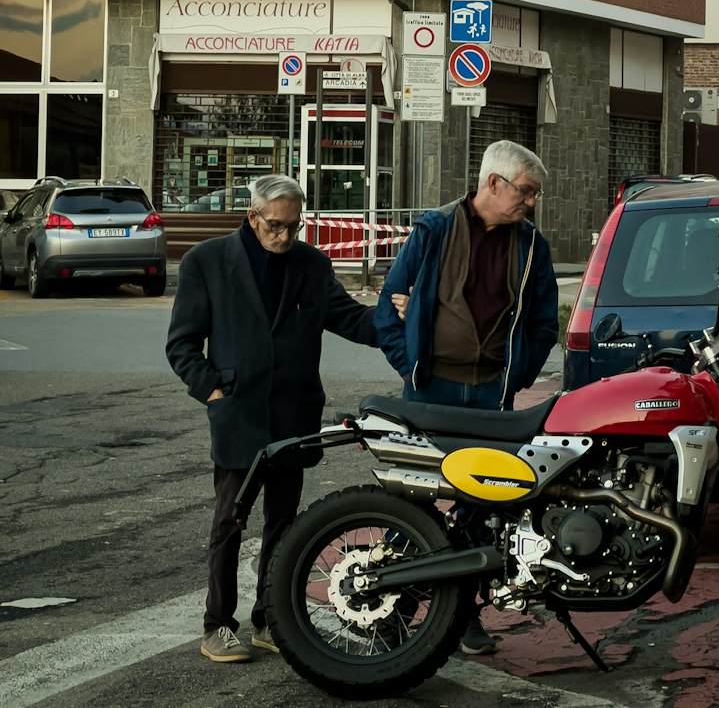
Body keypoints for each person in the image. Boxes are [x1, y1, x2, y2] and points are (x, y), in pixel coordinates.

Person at [166, 173, 382, 664]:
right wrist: (214, 391)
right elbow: (181, 345)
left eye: (293, 226)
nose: (284, 236)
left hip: (293, 415)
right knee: (230, 522)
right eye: (275, 226)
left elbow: (350, 319)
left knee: (284, 527)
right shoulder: (207, 262)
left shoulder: (311, 264)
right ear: (252, 216)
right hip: (238, 414)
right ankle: (218, 625)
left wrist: (395, 321)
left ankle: (270, 618)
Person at [375, 139, 559, 655]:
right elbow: (387, 312)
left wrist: (517, 374)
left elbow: (544, 322)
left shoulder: (531, 245)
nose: (531, 202)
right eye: (525, 191)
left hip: (490, 394)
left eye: (535, 193)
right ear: (493, 183)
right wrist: (408, 363)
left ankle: (463, 616)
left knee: (482, 506)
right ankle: (393, 609)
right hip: (430, 389)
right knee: (414, 500)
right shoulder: (433, 231)